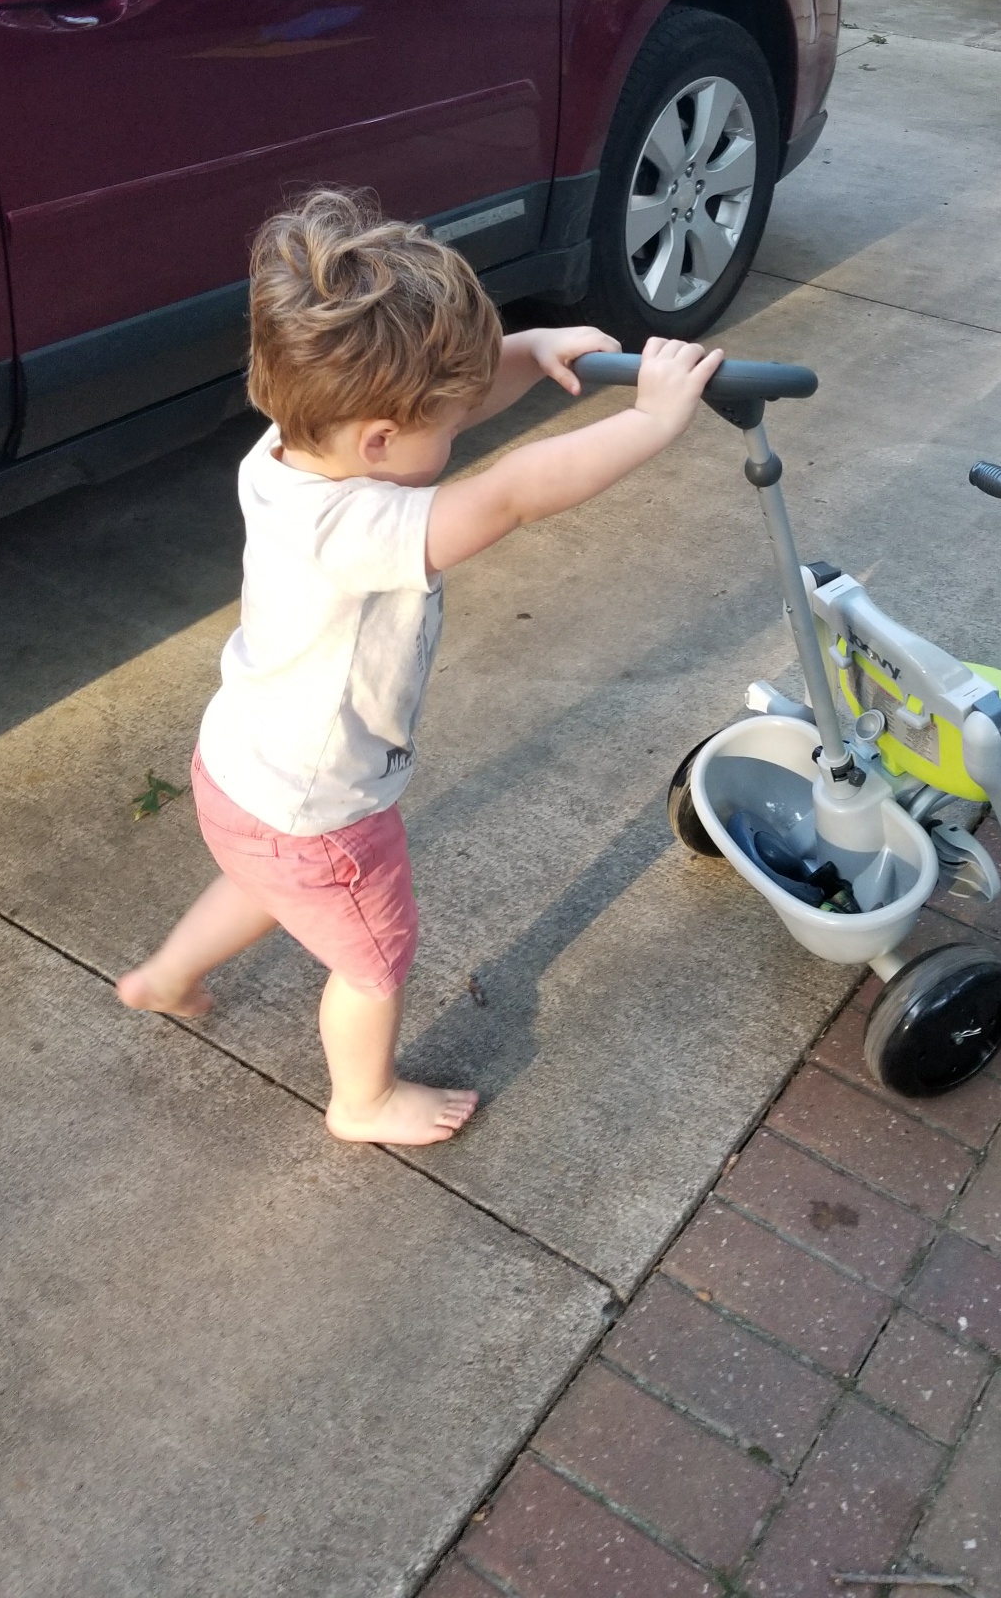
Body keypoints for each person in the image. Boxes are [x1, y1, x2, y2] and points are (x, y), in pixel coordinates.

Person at [118, 190, 723, 1146]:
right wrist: (650, 422)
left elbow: (421, 418)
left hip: (239, 775)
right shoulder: (357, 530)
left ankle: (166, 975)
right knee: (373, 960)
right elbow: (512, 494)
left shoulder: (284, 453)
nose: (463, 427)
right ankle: (362, 1100)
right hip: (323, 812)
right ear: (379, 442)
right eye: (450, 419)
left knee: (262, 882)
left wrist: (525, 351)